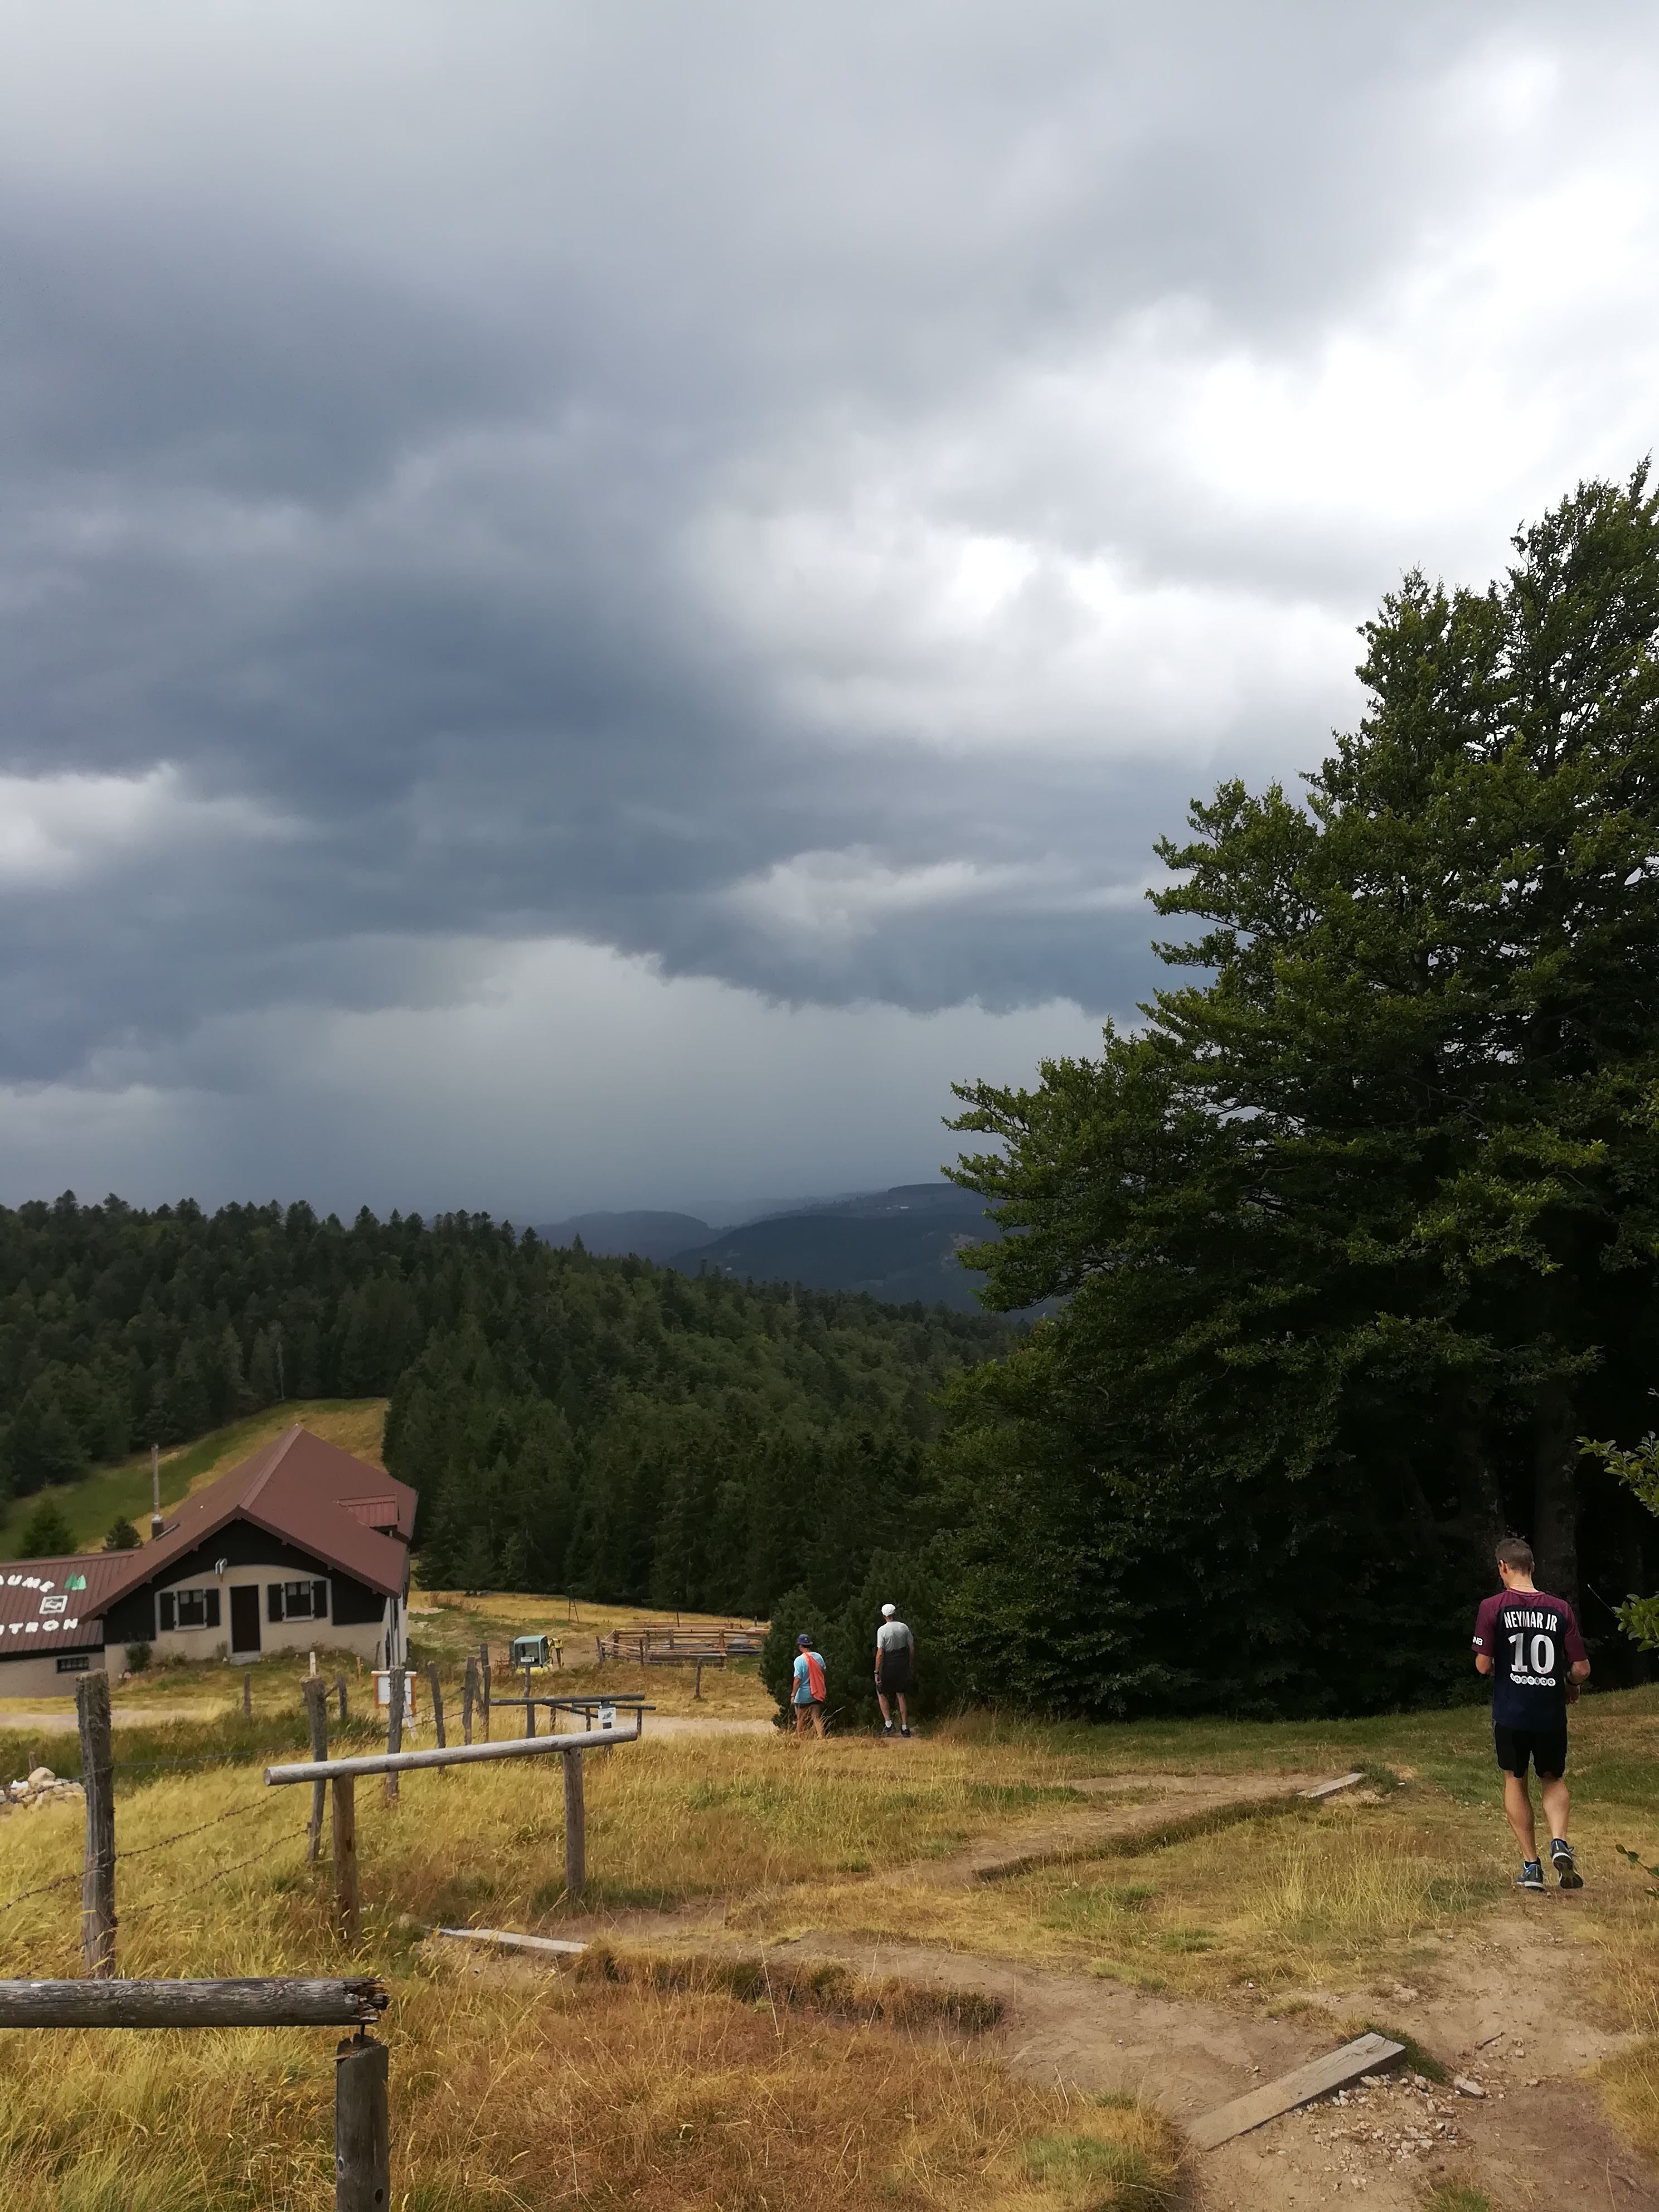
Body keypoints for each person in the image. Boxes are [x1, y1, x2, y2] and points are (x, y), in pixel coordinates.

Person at [1472, 1537, 1589, 1892]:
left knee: (1514, 1778)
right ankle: (1559, 1842)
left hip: (1510, 1712)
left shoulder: (1492, 1608)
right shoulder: (1560, 1609)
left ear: (1503, 1567)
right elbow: (1582, 1669)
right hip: (1549, 1713)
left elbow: (1482, 1666)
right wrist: (1569, 1684)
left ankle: (1531, 1866)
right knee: (1553, 1778)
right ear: (1533, 1568)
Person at [875, 1602, 914, 1738]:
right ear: (894, 1614)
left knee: (881, 1691)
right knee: (901, 1694)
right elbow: (912, 1648)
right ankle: (905, 1727)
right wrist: (910, 1664)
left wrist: (877, 1671)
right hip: (902, 1662)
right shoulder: (904, 1627)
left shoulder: (882, 1630)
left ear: (884, 1616)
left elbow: (880, 1653)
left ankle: (889, 1724)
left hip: (889, 1662)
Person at [792, 1632, 827, 1737]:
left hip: (803, 1694)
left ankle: (800, 1739)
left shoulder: (799, 1660)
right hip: (817, 1692)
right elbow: (823, 1671)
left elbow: (797, 1679)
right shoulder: (818, 1657)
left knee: (801, 1718)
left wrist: (793, 1694)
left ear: (800, 1646)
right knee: (817, 1717)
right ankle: (822, 1738)